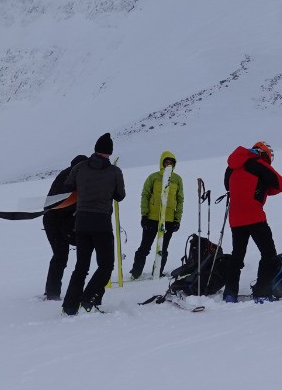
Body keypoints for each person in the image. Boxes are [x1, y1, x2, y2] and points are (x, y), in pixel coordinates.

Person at [62, 133, 126, 315]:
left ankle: (69, 306)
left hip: (81, 222)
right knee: (106, 265)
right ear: (109, 152)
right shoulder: (114, 171)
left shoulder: (80, 167)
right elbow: (120, 196)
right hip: (101, 223)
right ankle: (88, 299)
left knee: (81, 266)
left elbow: (68, 186)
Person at [222, 141, 282, 301]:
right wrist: (263, 188)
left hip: (235, 218)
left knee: (237, 256)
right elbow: (280, 184)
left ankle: (230, 294)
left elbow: (227, 186)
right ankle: (262, 293)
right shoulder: (258, 163)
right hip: (254, 216)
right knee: (268, 254)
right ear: (264, 153)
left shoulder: (232, 166)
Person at [130, 151, 184, 277]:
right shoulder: (153, 177)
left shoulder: (177, 179)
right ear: (162, 162)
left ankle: (157, 272)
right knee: (145, 247)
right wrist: (144, 215)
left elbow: (180, 200)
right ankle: (136, 272)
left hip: (169, 220)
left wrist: (177, 220)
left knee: (163, 249)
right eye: (166, 162)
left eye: (171, 162)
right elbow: (145, 196)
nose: (168, 164)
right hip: (152, 219)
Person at [41, 153, 87, 300]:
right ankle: (52, 294)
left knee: (67, 253)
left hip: (65, 220)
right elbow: (63, 204)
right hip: (53, 221)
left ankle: (53, 290)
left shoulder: (74, 176)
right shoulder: (68, 178)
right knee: (60, 255)